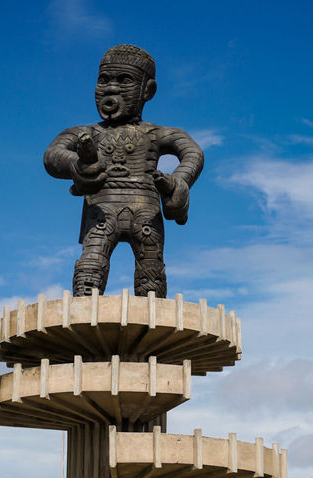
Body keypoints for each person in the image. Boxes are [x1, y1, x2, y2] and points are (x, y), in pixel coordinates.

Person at [44, 44, 204, 298]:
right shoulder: (87, 133)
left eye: (124, 80)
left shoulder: (158, 133)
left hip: (146, 213)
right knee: (90, 267)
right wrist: (76, 165)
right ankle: (87, 319)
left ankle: (148, 327)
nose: (112, 88)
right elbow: (53, 154)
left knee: (150, 272)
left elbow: (192, 153)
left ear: (147, 90)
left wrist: (177, 181)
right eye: (104, 80)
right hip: (100, 212)